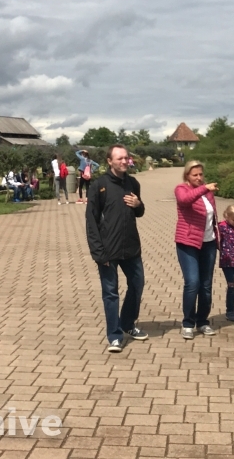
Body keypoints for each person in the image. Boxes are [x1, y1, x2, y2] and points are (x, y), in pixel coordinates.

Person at [86, 145, 148, 353]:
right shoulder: (99, 186)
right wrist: (98, 253)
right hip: (108, 250)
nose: (124, 161)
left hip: (131, 247)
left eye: (126, 158)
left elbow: (139, 213)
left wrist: (138, 204)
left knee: (137, 284)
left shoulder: (133, 183)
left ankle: (128, 323)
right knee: (110, 293)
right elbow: (91, 221)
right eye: (119, 158)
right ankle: (115, 335)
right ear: (109, 161)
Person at [174, 160, 220, 339]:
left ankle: (202, 321)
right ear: (187, 176)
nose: (199, 178)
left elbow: (212, 217)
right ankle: (188, 323)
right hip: (188, 243)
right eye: (195, 175)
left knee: (206, 285)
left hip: (208, 243)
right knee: (193, 282)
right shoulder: (181, 189)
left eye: (201, 174)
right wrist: (204, 188)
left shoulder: (208, 194)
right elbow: (184, 201)